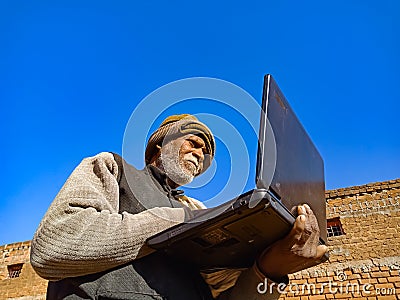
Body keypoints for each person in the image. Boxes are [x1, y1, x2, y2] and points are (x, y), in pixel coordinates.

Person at [31, 114, 328, 300]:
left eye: (206, 153)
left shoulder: (198, 210)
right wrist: (173, 220)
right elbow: (53, 247)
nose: (201, 154)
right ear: (161, 144)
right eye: (194, 142)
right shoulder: (112, 169)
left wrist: (269, 271)